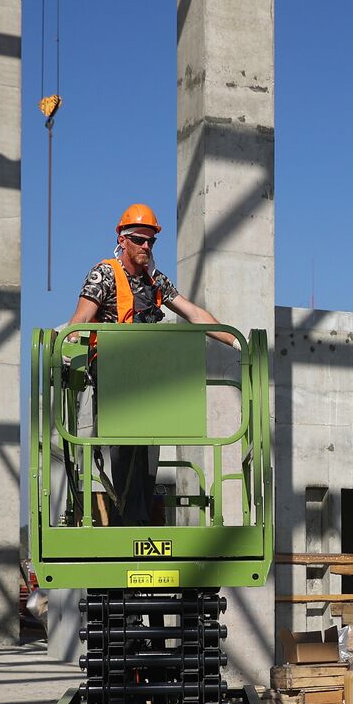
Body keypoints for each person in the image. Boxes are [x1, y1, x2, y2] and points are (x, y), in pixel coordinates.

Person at [68, 203, 238, 525]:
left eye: (151, 241)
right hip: (118, 382)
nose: (146, 246)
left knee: (149, 461)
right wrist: (66, 343)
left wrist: (232, 339)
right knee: (127, 456)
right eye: (139, 240)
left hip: (151, 381)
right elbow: (81, 319)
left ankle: (141, 520)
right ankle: (130, 523)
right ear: (123, 239)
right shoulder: (104, 275)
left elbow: (193, 313)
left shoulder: (155, 280)